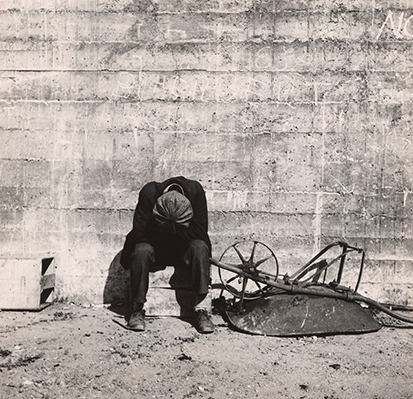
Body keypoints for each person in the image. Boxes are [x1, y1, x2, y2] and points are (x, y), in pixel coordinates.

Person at [120, 176, 214, 334]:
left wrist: (172, 234)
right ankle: (137, 309)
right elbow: (139, 232)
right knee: (141, 250)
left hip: (183, 249)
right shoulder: (149, 193)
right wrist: (166, 233)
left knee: (200, 247)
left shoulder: (195, 191)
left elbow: (199, 231)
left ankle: (201, 309)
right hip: (156, 247)